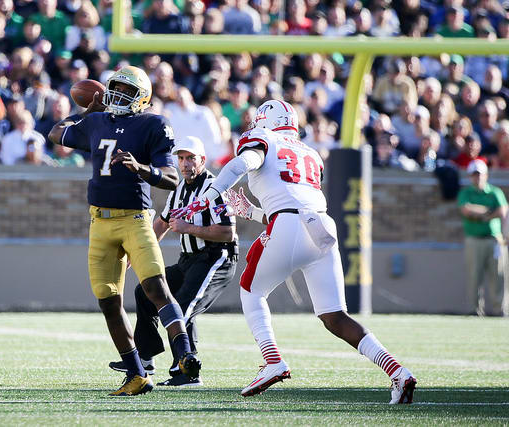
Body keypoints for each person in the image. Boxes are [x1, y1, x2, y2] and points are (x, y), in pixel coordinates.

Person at [171, 100, 417, 403]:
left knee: (251, 290)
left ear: (265, 123)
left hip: (288, 223)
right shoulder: (310, 152)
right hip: (322, 227)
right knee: (335, 316)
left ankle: (272, 360)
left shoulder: (261, 141)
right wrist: (251, 212)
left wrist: (208, 196)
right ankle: (398, 372)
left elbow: (241, 166)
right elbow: (294, 202)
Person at [48, 65, 201, 396]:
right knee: (108, 302)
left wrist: (141, 168)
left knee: (156, 288)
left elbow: (171, 177)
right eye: (114, 88)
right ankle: (135, 374)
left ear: (142, 97)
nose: (117, 95)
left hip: (135, 219)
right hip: (99, 223)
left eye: (126, 90)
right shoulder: (96, 121)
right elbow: (55, 133)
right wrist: (88, 109)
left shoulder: (153, 123)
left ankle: (185, 354)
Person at [108, 136, 238, 387]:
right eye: (181, 158)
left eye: (191, 158)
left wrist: (189, 228)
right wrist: (139, 252)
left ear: (202, 159)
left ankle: (187, 372)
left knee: (181, 309)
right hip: (188, 260)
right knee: (146, 293)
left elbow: (227, 233)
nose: (185, 164)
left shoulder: (215, 187)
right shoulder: (179, 189)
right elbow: (163, 223)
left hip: (216, 258)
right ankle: (145, 357)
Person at [457, 160, 509, 316]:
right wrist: (488, 212)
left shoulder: (495, 192)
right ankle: (475, 310)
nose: (477, 178)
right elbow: (466, 210)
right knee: (474, 276)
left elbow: (503, 211)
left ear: (486, 175)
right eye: (474, 174)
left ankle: (500, 309)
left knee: (499, 275)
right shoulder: (466, 193)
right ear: (470, 176)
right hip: (474, 239)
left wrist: (480, 213)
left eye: (480, 174)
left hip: (494, 239)